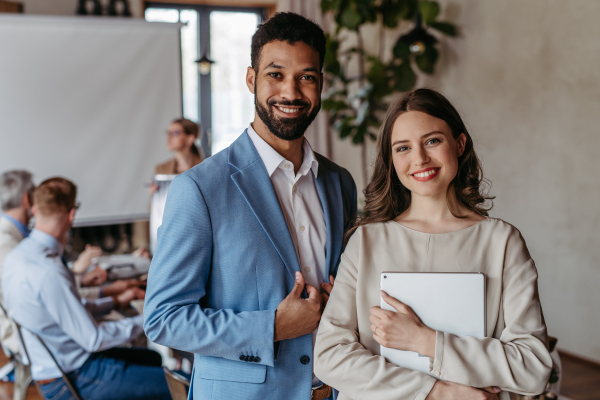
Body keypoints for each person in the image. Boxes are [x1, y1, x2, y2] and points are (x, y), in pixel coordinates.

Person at [144, 12, 357, 400]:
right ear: (250, 79)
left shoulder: (339, 182)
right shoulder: (199, 188)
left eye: (306, 77)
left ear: (321, 84)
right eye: (276, 74)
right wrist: (272, 327)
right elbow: (163, 319)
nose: (291, 92)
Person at [314, 89, 553, 400]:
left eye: (432, 141)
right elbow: (330, 357)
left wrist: (425, 341)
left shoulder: (503, 242)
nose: (420, 159)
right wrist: (437, 391)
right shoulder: (366, 241)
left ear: (460, 144)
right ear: (392, 160)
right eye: (403, 148)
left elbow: (533, 368)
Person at [2, 177, 171, 400]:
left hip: (53, 368)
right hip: (71, 378)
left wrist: (116, 301)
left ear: (35, 209)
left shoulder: (17, 257)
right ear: (72, 213)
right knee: (179, 385)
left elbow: (69, 308)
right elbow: (94, 339)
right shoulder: (49, 270)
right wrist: (153, 318)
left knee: (152, 359)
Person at [148, 118, 203, 196]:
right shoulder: (161, 170)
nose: (168, 137)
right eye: (168, 133)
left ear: (190, 138)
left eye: (175, 133)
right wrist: (154, 196)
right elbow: (154, 207)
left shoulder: (205, 168)